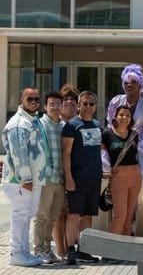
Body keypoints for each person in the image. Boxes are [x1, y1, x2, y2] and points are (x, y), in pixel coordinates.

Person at [1, 87, 47, 267]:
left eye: (36, 98)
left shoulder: (32, 120)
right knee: (20, 215)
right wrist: (25, 179)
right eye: (30, 99)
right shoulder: (19, 124)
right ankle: (16, 252)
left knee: (27, 216)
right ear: (22, 100)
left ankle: (24, 252)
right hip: (21, 181)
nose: (34, 102)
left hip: (32, 180)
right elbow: (18, 154)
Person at [62, 91, 102, 265]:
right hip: (77, 178)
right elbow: (66, 154)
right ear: (78, 105)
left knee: (87, 216)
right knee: (74, 215)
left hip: (94, 177)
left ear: (95, 107)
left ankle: (84, 250)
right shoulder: (71, 126)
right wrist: (69, 178)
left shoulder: (98, 125)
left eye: (91, 104)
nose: (88, 107)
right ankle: (71, 250)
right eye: (84, 103)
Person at [32, 91, 65, 264]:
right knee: (42, 216)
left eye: (58, 103)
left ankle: (47, 249)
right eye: (51, 103)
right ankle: (38, 250)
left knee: (53, 217)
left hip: (59, 179)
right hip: (44, 179)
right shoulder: (38, 125)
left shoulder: (64, 125)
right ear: (45, 106)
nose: (55, 107)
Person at [107, 64, 143, 176]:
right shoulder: (116, 101)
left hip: (138, 151)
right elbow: (110, 123)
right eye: (126, 82)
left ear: (139, 85)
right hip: (116, 146)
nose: (129, 84)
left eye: (133, 82)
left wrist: (139, 143)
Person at [102, 105, 142, 235]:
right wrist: (106, 169)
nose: (124, 118)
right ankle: (113, 249)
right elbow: (102, 154)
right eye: (121, 115)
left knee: (129, 215)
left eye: (127, 115)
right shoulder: (107, 134)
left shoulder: (134, 134)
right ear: (115, 116)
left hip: (135, 175)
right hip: (118, 175)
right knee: (120, 214)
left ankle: (125, 250)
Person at [52, 84, 79, 261]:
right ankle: (61, 250)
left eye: (73, 99)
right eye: (66, 99)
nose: (69, 101)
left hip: (77, 175)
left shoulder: (80, 123)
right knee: (59, 213)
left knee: (73, 213)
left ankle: (71, 248)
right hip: (58, 175)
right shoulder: (55, 124)